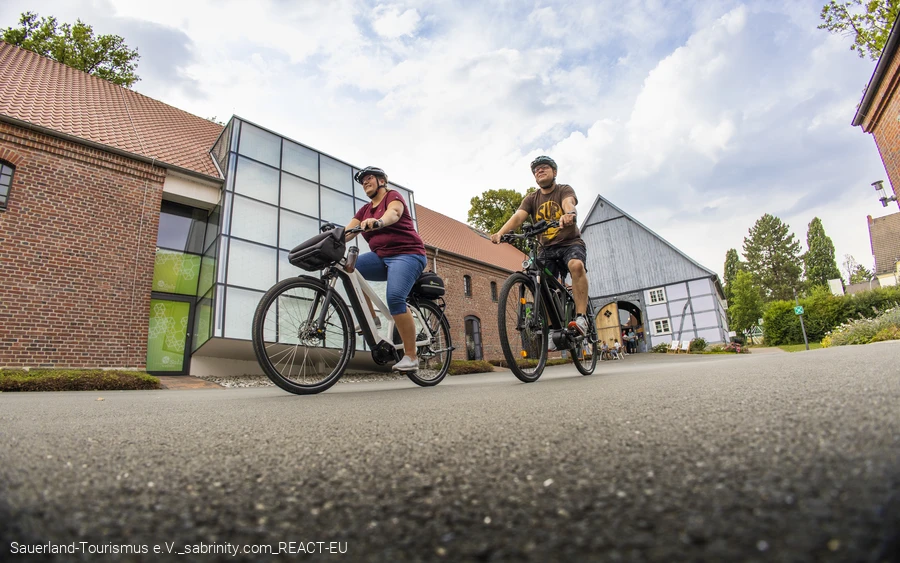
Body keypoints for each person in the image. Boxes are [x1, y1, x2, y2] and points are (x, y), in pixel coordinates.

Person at [491, 155, 590, 336]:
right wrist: (500, 232)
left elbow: (569, 203)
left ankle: (581, 317)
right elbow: (518, 217)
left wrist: (569, 214)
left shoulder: (563, 190)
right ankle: (553, 329)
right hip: (546, 248)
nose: (540, 171)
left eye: (544, 167)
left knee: (576, 265)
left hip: (569, 242)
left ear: (555, 172)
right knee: (538, 282)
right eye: (536, 170)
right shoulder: (531, 199)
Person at [344, 166, 427, 372]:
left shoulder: (393, 196)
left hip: (408, 254)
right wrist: (332, 238)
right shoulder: (364, 211)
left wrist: (379, 221)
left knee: (395, 297)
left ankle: (411, 355)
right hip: (382, 257)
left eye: (369, 178)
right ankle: (371, 317)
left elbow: (394, 213)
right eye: (362, 181)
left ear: (382, 180)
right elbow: (347, 232)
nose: (365, 183)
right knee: (350, 268)